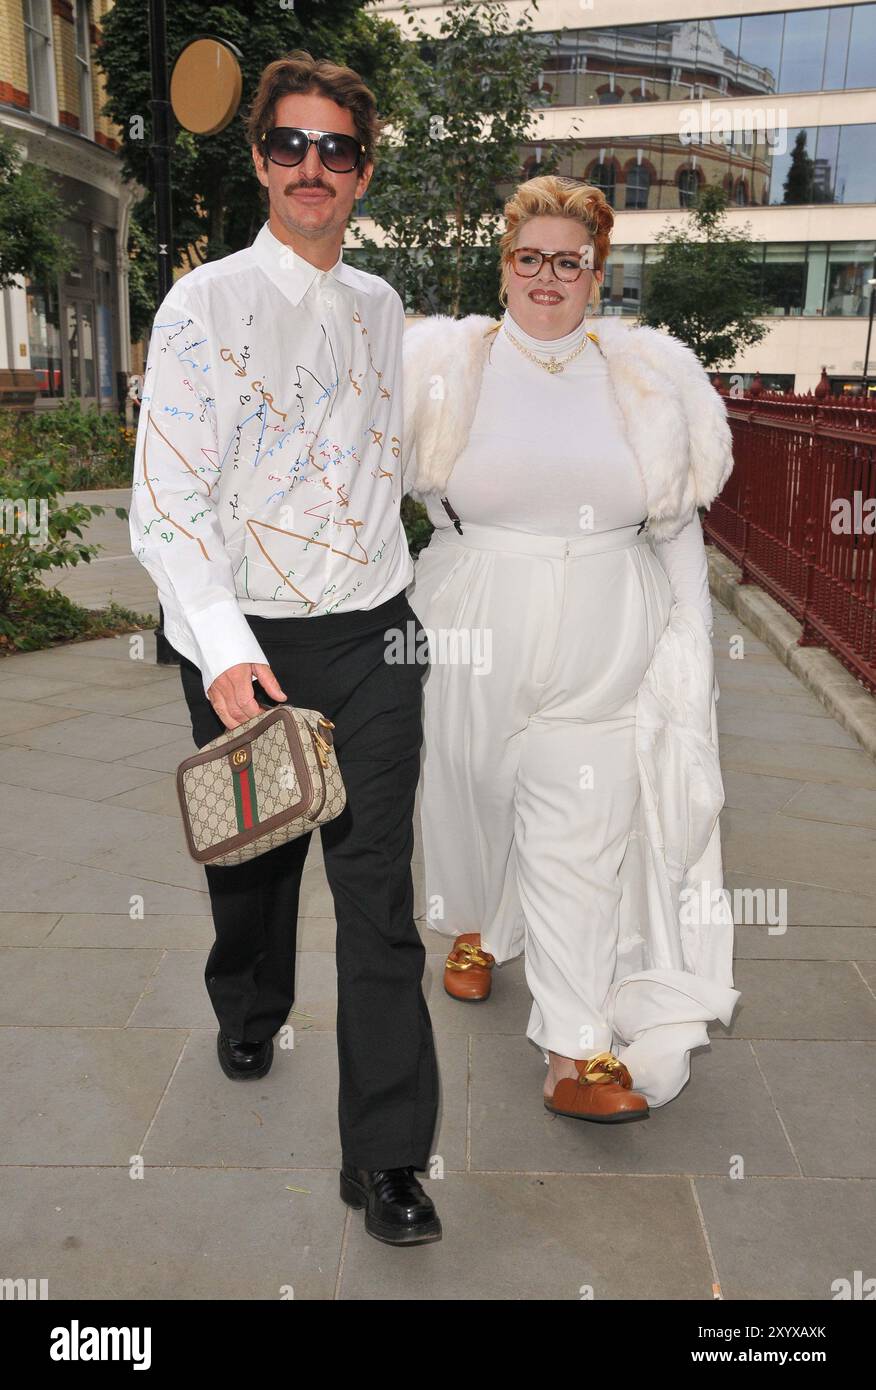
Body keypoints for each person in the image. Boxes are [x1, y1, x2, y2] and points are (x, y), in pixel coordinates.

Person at [129, 51, 440, 1246]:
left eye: (339, 149)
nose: (315, 167)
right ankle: (247, 1000)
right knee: (251, 878)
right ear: (260, 159)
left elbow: (393, 458)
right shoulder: (200, 305)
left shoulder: (382, 308)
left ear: (362, 173)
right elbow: (166, 506)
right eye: (292, 145)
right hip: (244, 645)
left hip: (372, 640)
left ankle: (391, 1161)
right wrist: (218, 649)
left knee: (379, 904)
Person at [403, 175, 740, 1123]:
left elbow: (675, 526)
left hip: (606, 629)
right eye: (529, 258)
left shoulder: (648, 378)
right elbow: (370, 503)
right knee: (471, 795)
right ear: (503, 265)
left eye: (569, 262)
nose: (547, 277)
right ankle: (472, 925)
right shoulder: (443, 365)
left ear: (597, 275)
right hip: (474, 619)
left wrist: (692, 652)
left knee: (582, 834)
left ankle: (575, 1047)